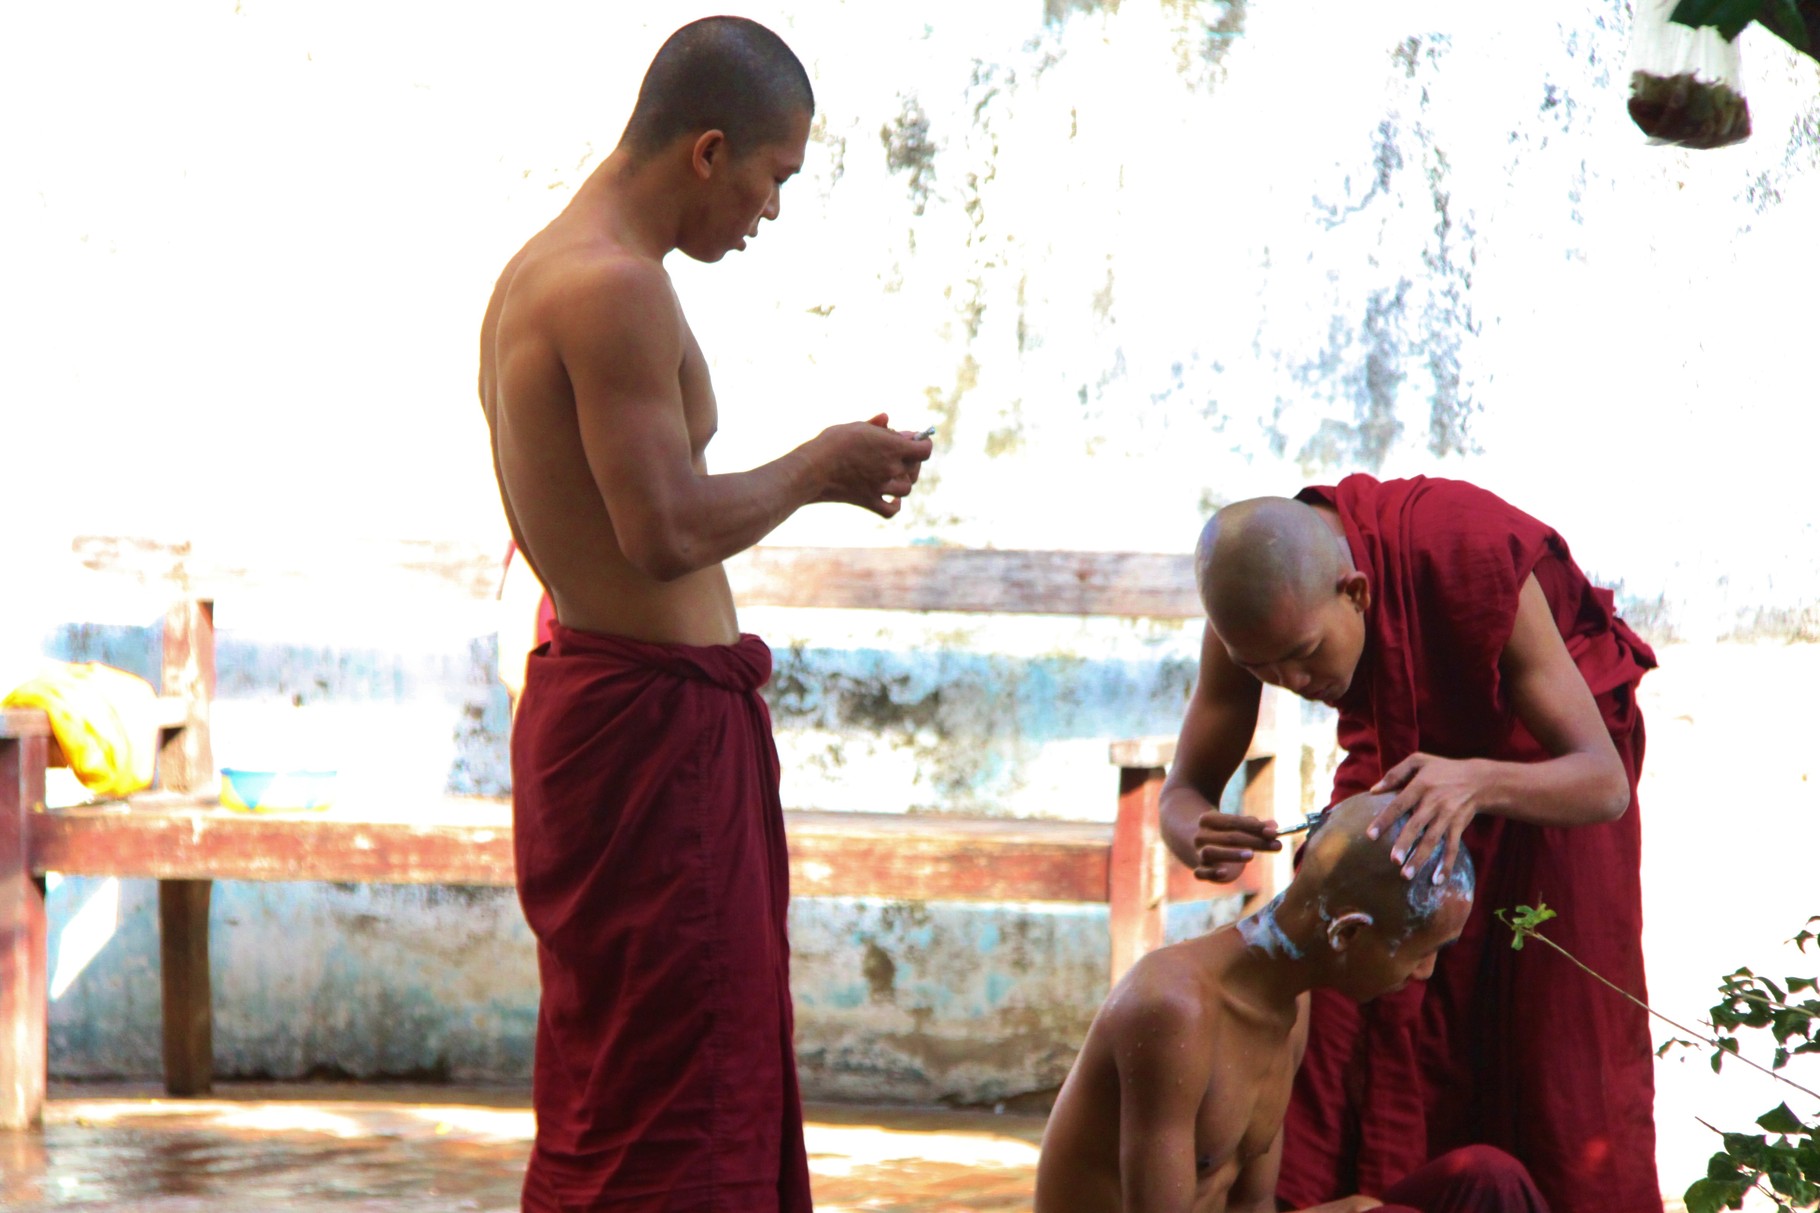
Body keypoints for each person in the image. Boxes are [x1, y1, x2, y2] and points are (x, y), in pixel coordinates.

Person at [477, 17, 934, 1212]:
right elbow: (663, 531)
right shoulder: (610, 289)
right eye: (772, 178)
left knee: (636, 1076)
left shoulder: (548, 266)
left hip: (621, 713)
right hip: (647, 743)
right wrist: (819, 467)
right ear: (707, 150)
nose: (770, 210)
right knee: (673, 1094)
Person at [1158, 475, 1658, 1213]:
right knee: (1332, 994)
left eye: (1302, 655)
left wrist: (1477, 783)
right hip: (1400, 758)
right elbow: (1182, 791)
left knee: (1555, 1057)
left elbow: (1600, 781)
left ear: (1356, 592)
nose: (1290, 683)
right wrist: (1194, 827)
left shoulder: (1473, 551)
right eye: (1262, 670)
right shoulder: (1252, 606)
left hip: (1540, 782)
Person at [1036, 792, 1551, 1213]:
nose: (1425, 974)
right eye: (1421, 954)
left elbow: (1251, 1204)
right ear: (1347, 935)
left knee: (1487, 1183)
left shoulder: (1293, 1000)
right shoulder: (1173, 1008)